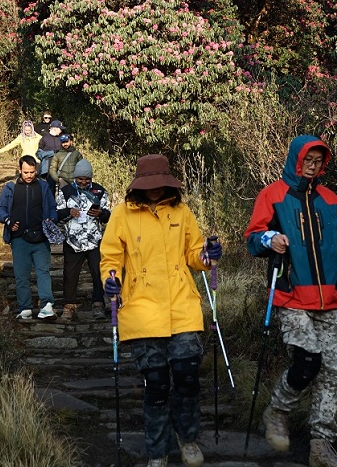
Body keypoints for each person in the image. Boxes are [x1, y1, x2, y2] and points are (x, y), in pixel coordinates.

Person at [245, 135, 337, 467]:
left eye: (319, 161)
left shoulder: (329, 199)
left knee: (333, 371)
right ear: (296, 159)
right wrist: (271, 238)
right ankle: (277, 411)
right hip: (291, 296)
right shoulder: (273, 195)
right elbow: (253, 238)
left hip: (328, 300)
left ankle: (321, 447)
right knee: (308, 362)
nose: (313, 165)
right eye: (308, 160)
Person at [101, 154, 222, 467]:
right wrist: (110, 281)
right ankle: (157, 452)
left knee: (187, 378)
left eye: (160, 184)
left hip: (182, 306)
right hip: (141, 311)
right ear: (138, 186)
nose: (154, 190)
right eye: (148, 185)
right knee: (155, 385)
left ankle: (188, 437)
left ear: (169, 182)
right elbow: (110, 258)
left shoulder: (181, 211)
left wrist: (207, 255)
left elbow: (195, 254)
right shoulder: (122, 215)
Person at [0, 155, 59, 320]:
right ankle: (25, 308)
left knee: (43, 272)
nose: (29, 175)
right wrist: (8, 221)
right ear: (19, 170)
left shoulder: (44, 187)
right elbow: (0, 208)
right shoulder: (10, 188)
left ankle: (47, 305)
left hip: (41, 238)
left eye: (32, 172)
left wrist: (50, 219)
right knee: (21, 275)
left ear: (36, 170)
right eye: (26, 172)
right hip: (19, 239)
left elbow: (52, 207)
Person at [56, 158, 110, 322]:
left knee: (97, 273)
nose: (83, 182)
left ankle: (98, 304)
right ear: (75, 177)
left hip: (94, 240)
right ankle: (69, 306)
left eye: (87, 179)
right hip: (73, 240)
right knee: (70, 274)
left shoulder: (100, 192)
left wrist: (100, 213)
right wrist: (68, 212)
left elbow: (109, 216)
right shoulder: (65, 191)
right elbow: (56, 215)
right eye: (80, 179)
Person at [37, 119, 65, 186]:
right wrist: (52, 153)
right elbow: (39, 154)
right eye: (60, 129)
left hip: (59, 167)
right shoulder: (44, 139)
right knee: (48, 188)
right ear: (55, 129)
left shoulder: (61, 138)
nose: (61, 130)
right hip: (47, 168)